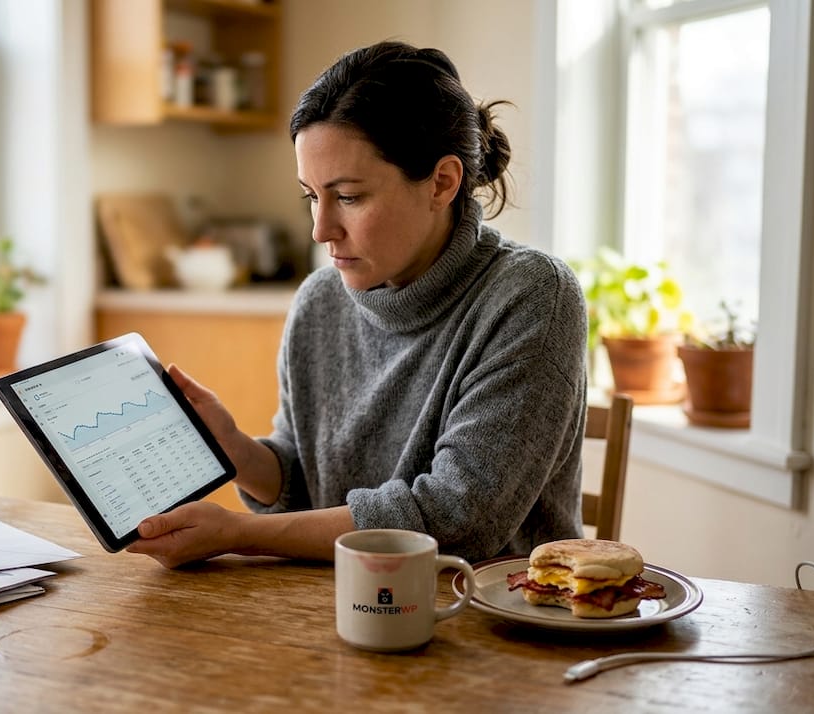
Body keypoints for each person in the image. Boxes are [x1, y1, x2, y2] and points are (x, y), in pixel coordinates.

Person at [128, 40, 587, 569]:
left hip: (484, 619)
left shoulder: (531, 295)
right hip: (334, 605)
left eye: (348, 197)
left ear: (442, 182)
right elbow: (307, 486)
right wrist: (233, 448)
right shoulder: (321, 299)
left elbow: (459, 519)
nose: (322, 229)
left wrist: (240, 533)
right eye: (311, 196)